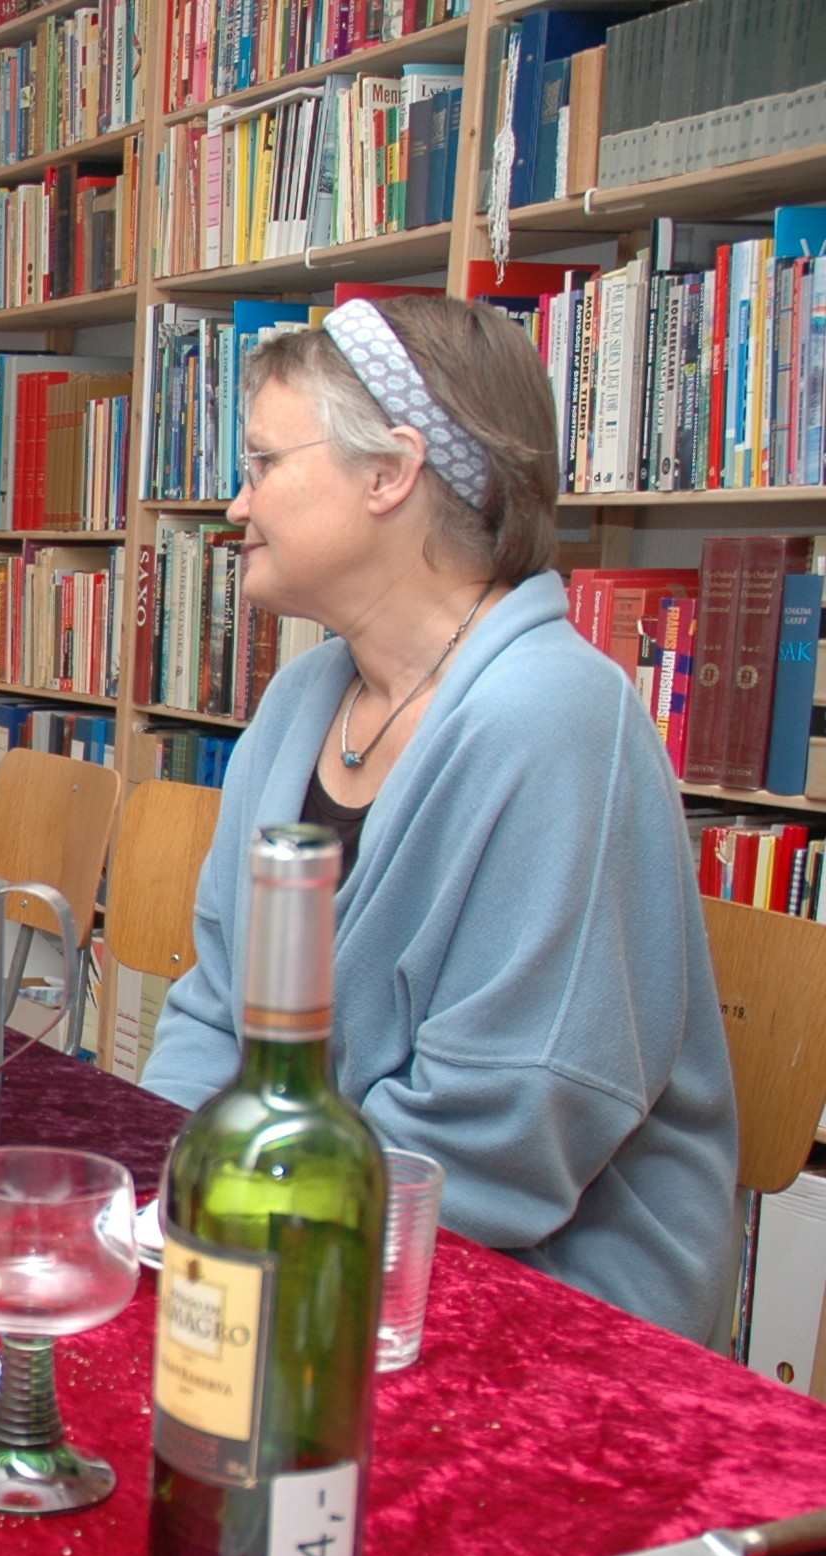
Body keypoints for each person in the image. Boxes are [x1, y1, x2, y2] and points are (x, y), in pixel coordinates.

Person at [139, 296, 739, 1343]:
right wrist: (164, 1186)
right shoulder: (299, 698)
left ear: (389, 473)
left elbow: (505, 1136)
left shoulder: (558, 719)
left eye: (264, 463)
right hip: (305, 1239)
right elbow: (217, 1009)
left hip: (545, 1311)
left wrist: (229, 1219)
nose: (236, 504)